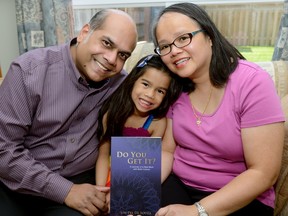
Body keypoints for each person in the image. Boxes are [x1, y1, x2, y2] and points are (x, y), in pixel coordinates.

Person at [0, 9, 137, 216]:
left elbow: (138, 133)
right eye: (107, 43)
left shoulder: (122, 85)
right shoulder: (28, 71)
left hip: (81, 182)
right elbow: (4, 150)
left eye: (123, 55)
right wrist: (66, 191)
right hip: (17, 183)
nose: (111, 59)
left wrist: (122, 190)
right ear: (84, 33)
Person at [152, 3, 285, 216]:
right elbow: (167, 150)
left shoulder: (252, 82)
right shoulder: (173, 85)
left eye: (183, 38)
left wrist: (197, 211)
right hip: (180, 183)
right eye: (165, 46)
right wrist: (134, 187)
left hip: (240, 194)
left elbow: (263, 173)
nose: (174, 51)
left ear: (209, 36)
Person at [95, 54, 182, 188]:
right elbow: (103, 156)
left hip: (135, 180)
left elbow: (146, 166)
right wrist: (100, 189)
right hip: (107, 174)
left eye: (160, 91)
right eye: (146, 84)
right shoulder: (111, 113)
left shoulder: (157, 123)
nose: (150, 95)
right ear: (133, 80)